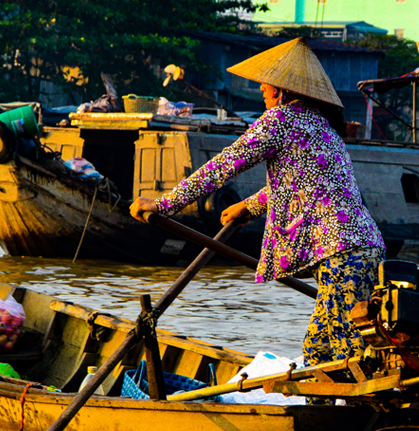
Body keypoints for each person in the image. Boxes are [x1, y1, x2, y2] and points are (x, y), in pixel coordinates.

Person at [129, 38, 386, 404]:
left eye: (264, 89)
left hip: (342, 252)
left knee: (339, 355)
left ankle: (354, 416)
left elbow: (222, 167)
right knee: (322, 351)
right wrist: (248, 207)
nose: (262, 94)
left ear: (280, 92)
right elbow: (303, 183)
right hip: (362, 249)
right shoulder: (321, 127)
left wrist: (165, 204)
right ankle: (332, 412)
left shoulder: (279, 120)